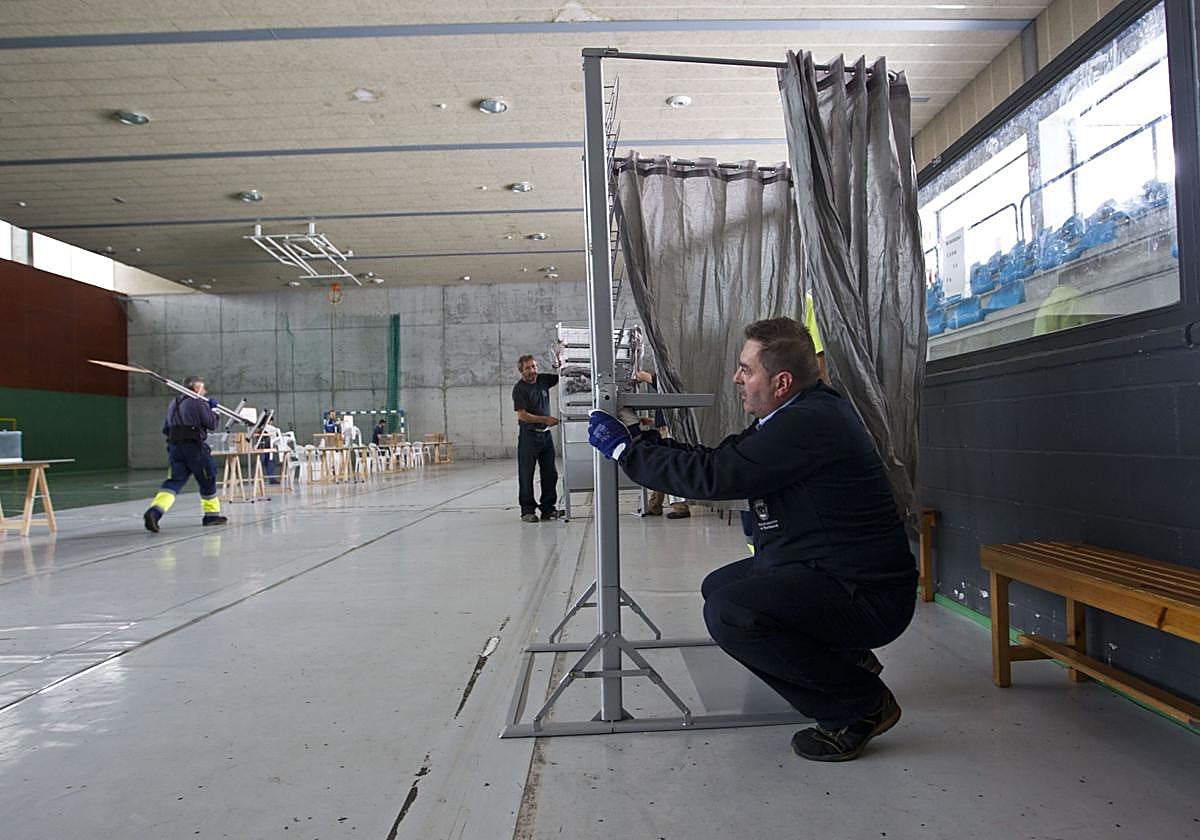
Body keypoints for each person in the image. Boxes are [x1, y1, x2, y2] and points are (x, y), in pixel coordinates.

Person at [587, 317, 916, 762]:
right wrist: (644, 441)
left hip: (865, 594)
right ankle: (846, 662)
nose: (736, 378)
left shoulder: (807, 424)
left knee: (733, 613)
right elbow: (724, 457)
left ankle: (859, 705)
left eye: (747, 369)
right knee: (719, 588)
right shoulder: (798, 413)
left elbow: (715, 476)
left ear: (781, 382)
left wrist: (627, 452)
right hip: (829, 569)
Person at [143, 375, 228, 532]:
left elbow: (165, 429)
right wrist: (214, 410)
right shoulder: (197, 402)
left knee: (173, 482)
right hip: (194, 448)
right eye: (203, 388)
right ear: (196, 388)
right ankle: (211, 516)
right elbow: (212, 424)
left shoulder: (173, 404)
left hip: (175, 448)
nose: (205, 391)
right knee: (207, 477)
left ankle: (154, 512)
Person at [633, 369, 691, 519]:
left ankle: (680, 507)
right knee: (660, 465)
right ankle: (655, 505)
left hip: (671, 428)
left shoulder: (670, 379)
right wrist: (653, 422)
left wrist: (642, 376)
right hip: (664, 427)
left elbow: (667, 386)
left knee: (669, 466)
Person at [512, 354, 559, 523]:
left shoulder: (543, 380)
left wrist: (560, 362)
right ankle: (527, 511)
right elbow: (522, 415)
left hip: (545, 436)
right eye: (528, 368)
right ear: (521, 371)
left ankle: (548, 509)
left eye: (534, 367)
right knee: (526, 474)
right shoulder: (519, 389)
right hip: (529, 436)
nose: (532, 371)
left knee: (550, 473)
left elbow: (562, 376)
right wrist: (545, 419)